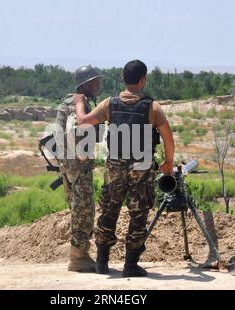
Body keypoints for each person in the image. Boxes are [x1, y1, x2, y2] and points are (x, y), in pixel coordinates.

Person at [74, 60, 175, 277]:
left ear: (123, 79)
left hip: (114, 168)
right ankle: (130, 266)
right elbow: (168, 138)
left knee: (109, 210)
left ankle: (102, 264)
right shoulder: (152, 107)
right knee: (138, 215)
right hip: (142, 168)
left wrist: (79, 103)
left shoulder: (109, 104)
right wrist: (168, 163)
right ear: (143, 80)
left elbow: (82, 122)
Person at [55, 65, 103, 272]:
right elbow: (79, 133)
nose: (98, 84)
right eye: (95, 81)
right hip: (79, 166)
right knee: (84, 211)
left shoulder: (65, 102)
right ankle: (78, 258)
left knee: (76, 209)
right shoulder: (80, 104)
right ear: (85, 84)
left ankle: (79, 254)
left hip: (65, 165)